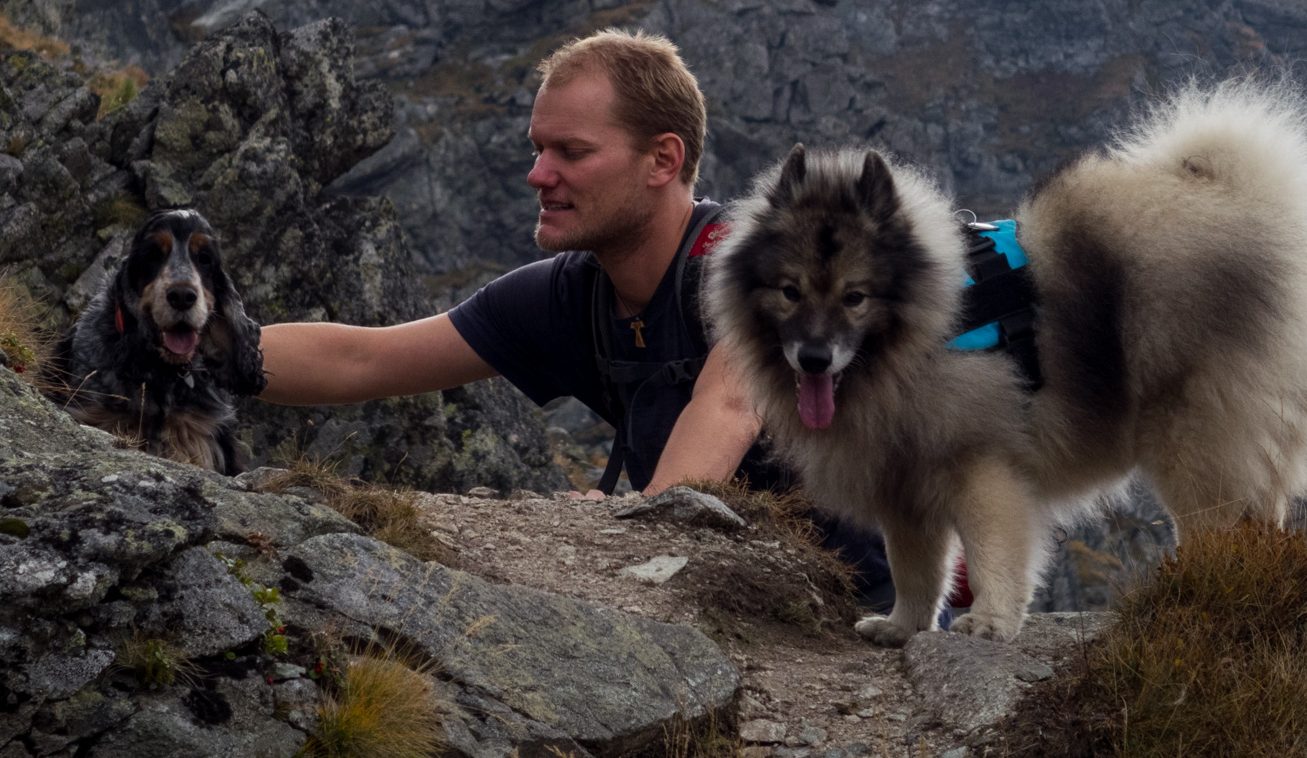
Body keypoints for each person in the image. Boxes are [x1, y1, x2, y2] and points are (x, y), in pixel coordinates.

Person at [258, 30, 896, 602]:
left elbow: (730, 403)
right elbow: (362, 359)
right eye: (538, 149)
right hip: (740, 608)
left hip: (872, 617)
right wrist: (191, 347)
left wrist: (634, 535)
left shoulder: (755, 268)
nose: (539, 174)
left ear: (663, 160)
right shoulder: (569, 296)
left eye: (572, 151)